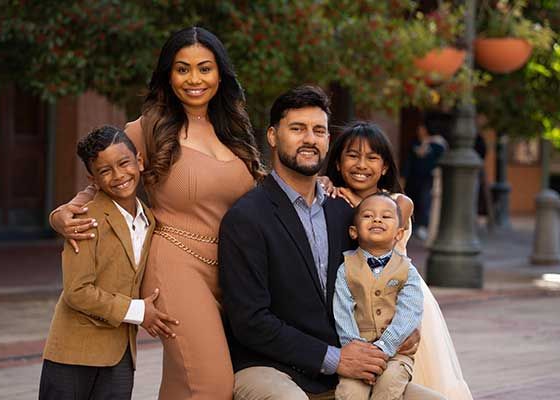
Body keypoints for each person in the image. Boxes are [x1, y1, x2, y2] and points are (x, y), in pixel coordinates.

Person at [48, 27, 264, 399]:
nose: (194, 79)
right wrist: (62, 214)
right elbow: (109, 176)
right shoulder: (146, 128)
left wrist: (325, 187)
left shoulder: (235, 129)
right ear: (168, 75)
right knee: (212, 384)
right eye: (182, 69)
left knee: (184, 383)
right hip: (174, 266)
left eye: (204, 68)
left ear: (220, 74)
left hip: (231, 270)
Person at [219, 86, 444, 400]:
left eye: (319, 130)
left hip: (346, 371)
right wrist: (336, 358)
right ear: (272, 136)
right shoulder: (246, 217)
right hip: (271, 367)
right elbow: (251, 322)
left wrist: (401, 330)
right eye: (297, 129)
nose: (310, 138)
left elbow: (378, 280)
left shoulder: (347, 215)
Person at [325, 122, 473, 400]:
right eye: (352, 155)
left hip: (403, 301)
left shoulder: (400, 202)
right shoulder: (333, 197)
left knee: (405, 378)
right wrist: (325, 184)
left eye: (372, 157)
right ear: (338, 162)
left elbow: (379, 223)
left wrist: (351, 198)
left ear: (384, 167)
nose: (361, 164)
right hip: (361, 301)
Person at [39, 126, 178, 399]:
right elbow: (77, 292)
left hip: (121, 355)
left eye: (124, 163)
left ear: (139, 161)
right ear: (93, 179)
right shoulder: (85, 219)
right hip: (74, 354)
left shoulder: (149, 219)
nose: (118, 176)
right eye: (105, 171)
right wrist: (139, 311)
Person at [333, 193, 423, 400]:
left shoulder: (407, 270)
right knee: (349, 392)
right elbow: (342, 310)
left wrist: (384, 347)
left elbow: (410, 312)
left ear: (399, 234)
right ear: (353, 232)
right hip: (358, 352)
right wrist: (356, 349)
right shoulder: (345, 269)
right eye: (368, 215)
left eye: (386, 216)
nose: (377, 219)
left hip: (396, 353)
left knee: (390, 383)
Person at [401, 112, 449, 241]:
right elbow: (409, 162)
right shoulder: (416, 144)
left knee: (426, 202)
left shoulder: (438, 145)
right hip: (414, 181)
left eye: (421, 129)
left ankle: (424, 227)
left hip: (430, 181)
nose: (419, 131)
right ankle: (414, 227)